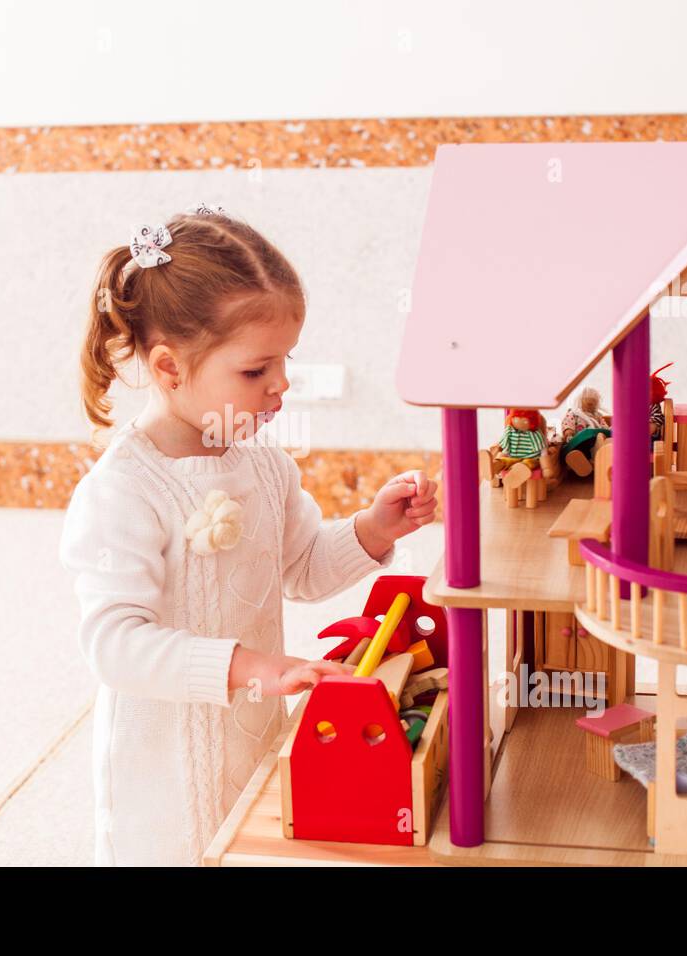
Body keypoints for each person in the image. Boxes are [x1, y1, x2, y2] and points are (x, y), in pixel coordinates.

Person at [59, 203, 439, 865]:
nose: (282, 385)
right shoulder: (123, 491)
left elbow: (302, 567)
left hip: (256, 730)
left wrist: (374, 529)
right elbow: (114, 645)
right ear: (171, 367)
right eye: (255, 370)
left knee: (251, 843)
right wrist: (250, 667)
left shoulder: (262, 464)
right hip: (164, 773)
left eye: (286, 362)